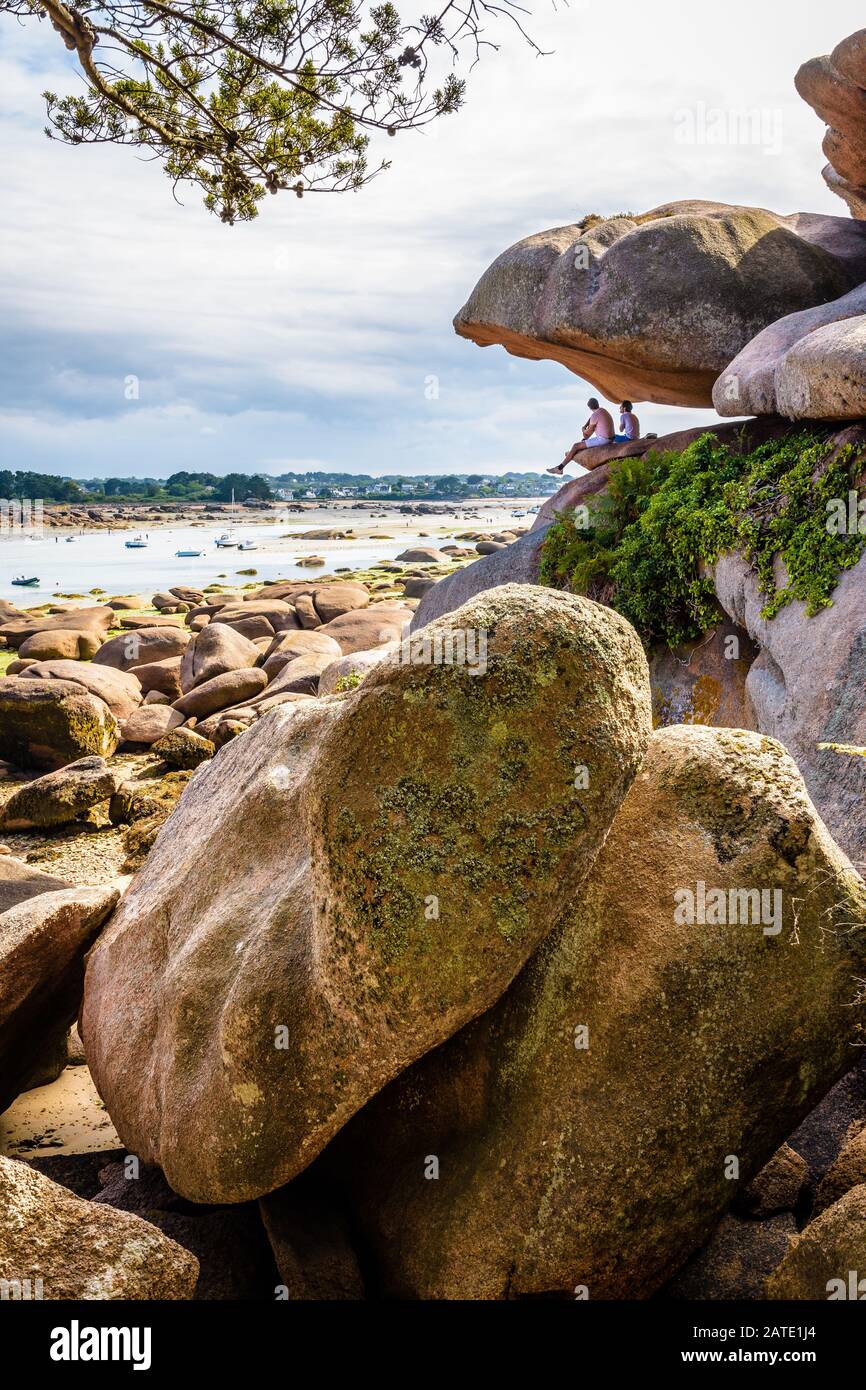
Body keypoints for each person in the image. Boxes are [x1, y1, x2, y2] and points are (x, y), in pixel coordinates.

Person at [547, 398, 615, 474]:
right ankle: (562, 466)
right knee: (582, 442)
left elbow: (587, 435)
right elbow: (591, 418)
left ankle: (560, 468)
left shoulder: (595, 415)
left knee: (575, 446)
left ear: (589, 407)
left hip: (604, 439)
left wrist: (583, 429)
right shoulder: (602, 410)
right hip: (611, 438)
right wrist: (586, 425)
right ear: (597, 404)